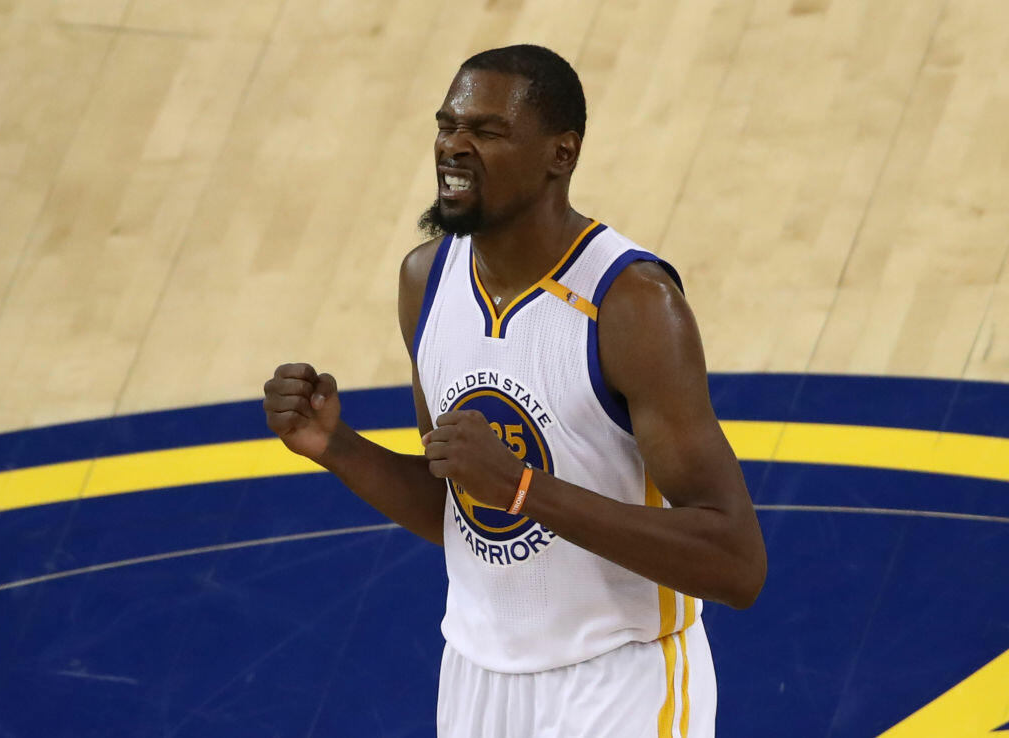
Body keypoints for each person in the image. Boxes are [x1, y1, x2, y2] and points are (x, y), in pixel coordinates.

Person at [263, 44, 766, 738]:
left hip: (621, 680)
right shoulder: (426, 282)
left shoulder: (632, 305)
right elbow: (467, 508)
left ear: (561, 154)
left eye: (488, 131)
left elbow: (736, 561)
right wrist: (338, 447)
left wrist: (527, 489)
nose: (455, 147)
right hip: (476, 682)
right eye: (447, 126)